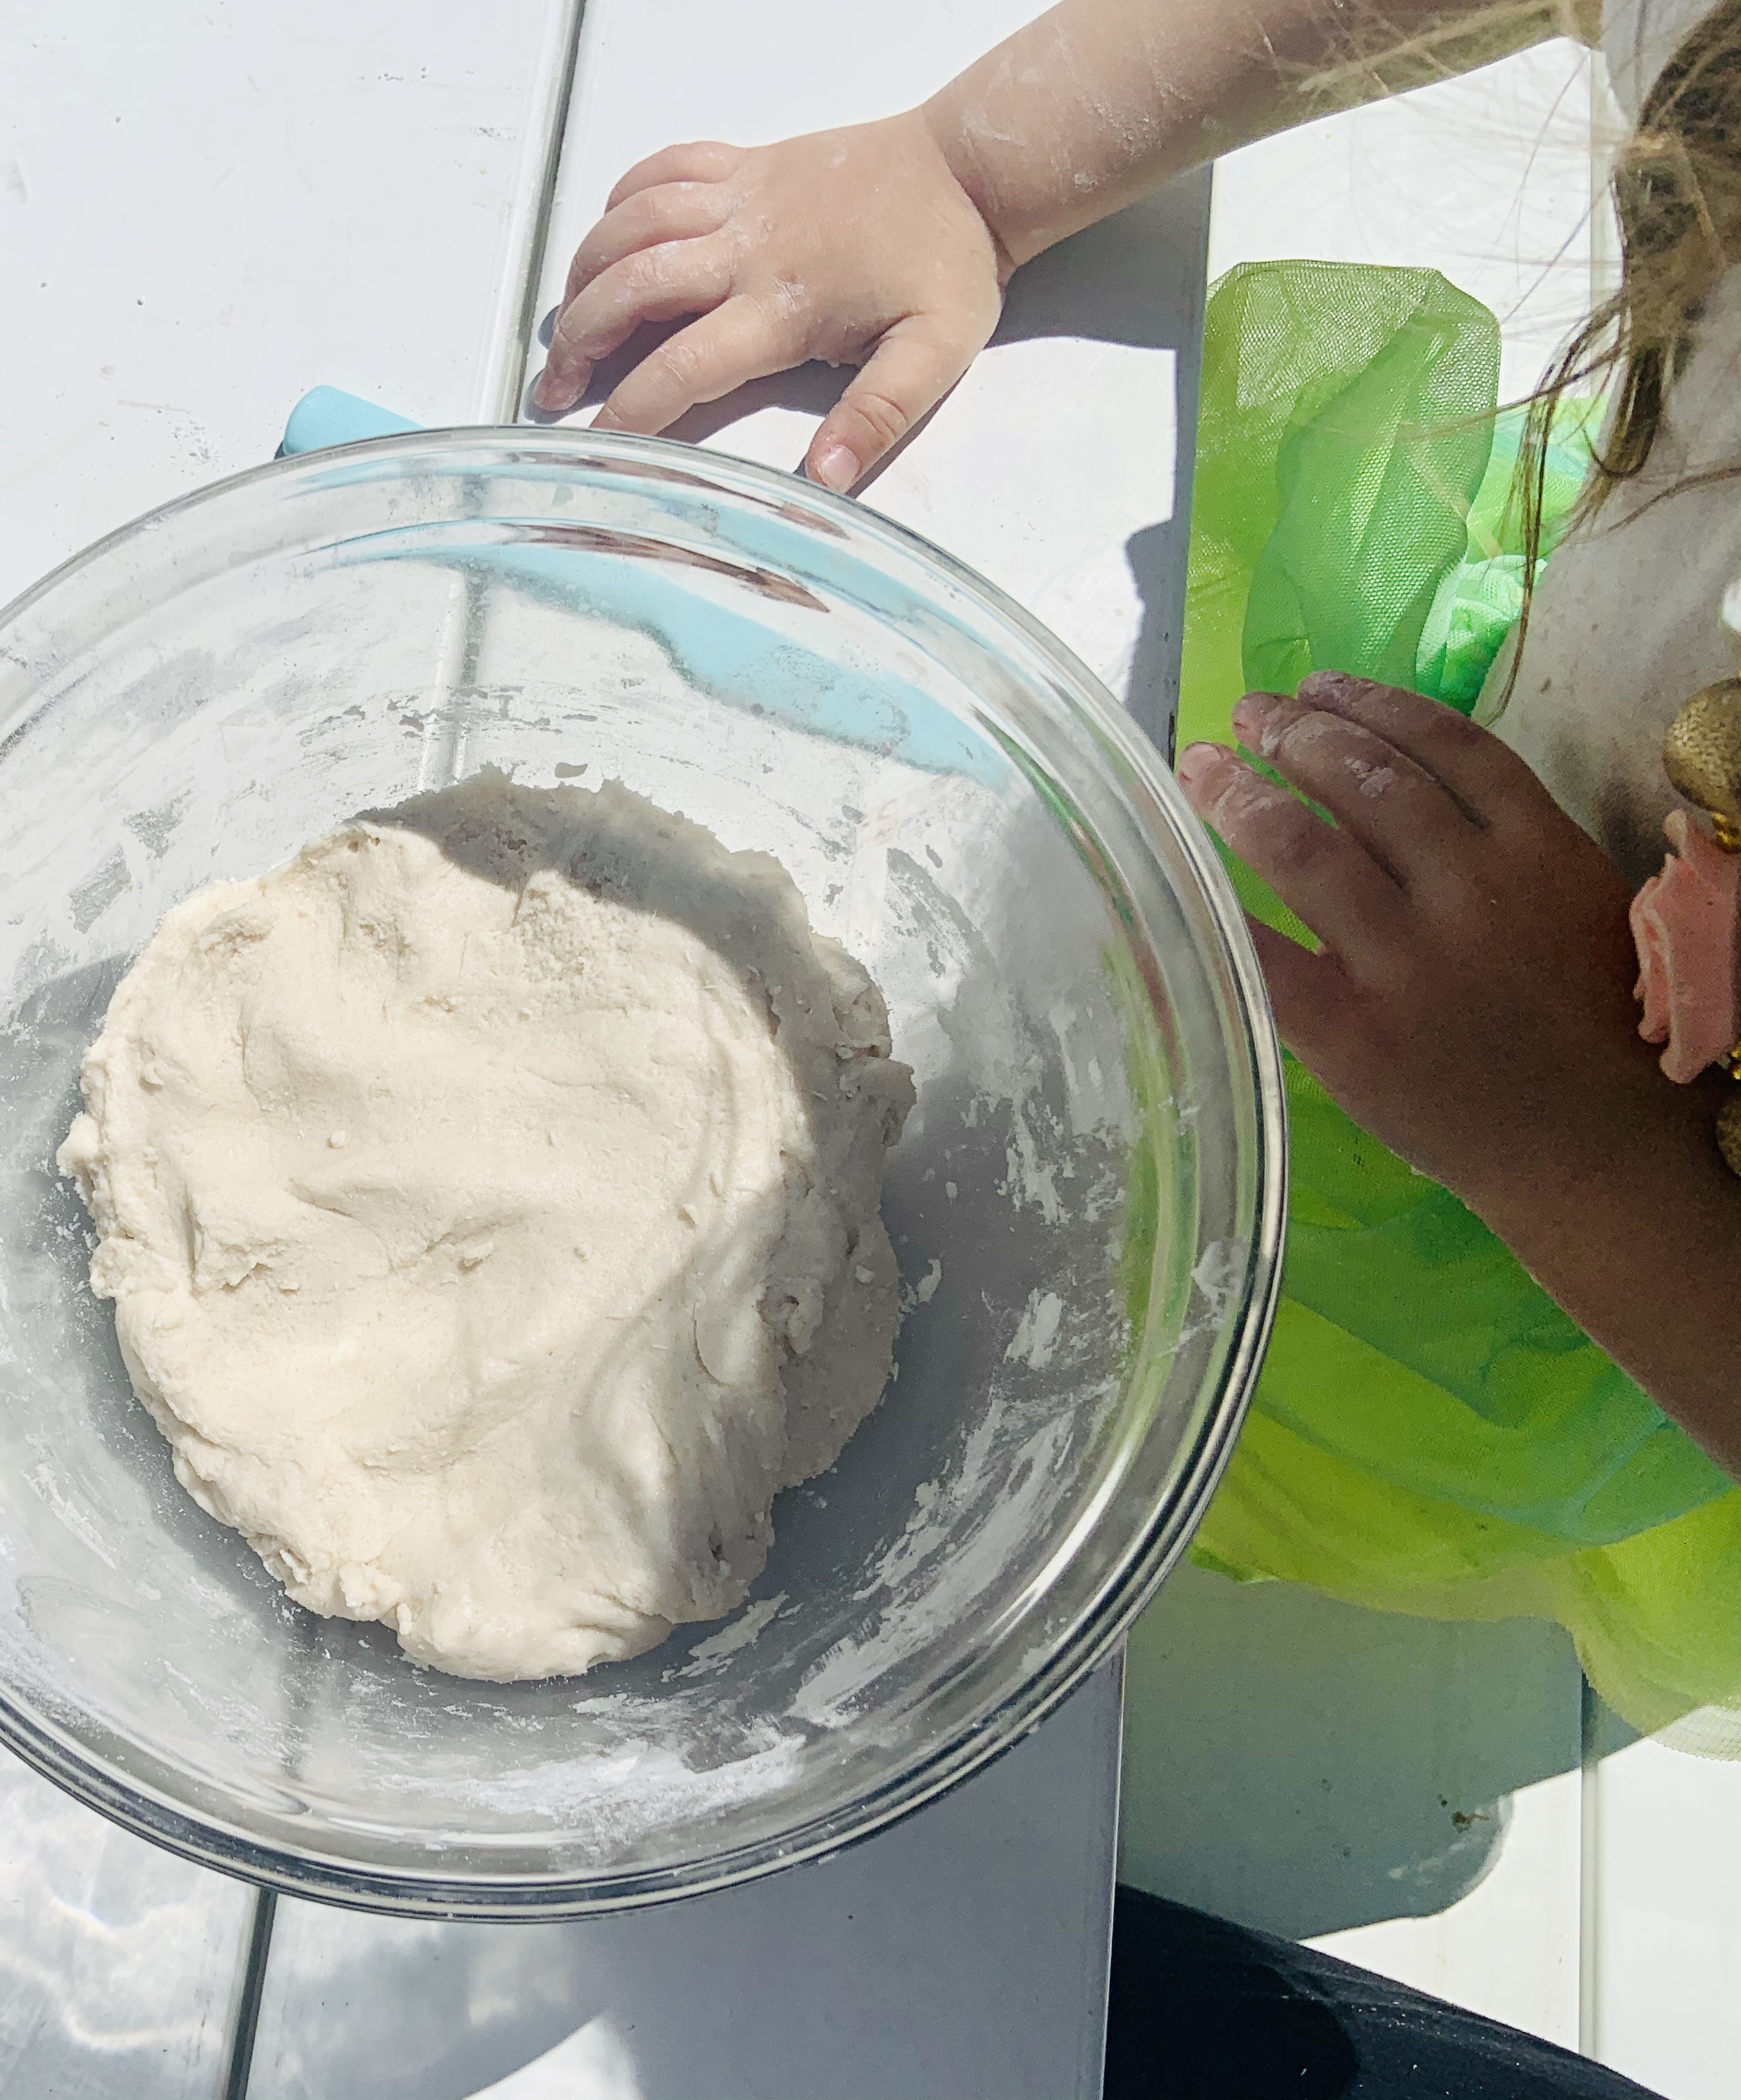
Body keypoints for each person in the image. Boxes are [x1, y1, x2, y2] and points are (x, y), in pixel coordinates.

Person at [536, 1, 1741, 2093]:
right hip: (1549, 845)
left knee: (1182, 1363)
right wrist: (980, 166)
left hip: (1636, 1254)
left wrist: (1582, 1154)